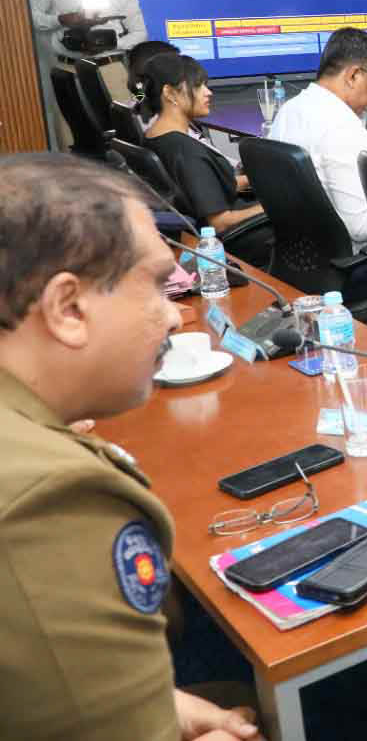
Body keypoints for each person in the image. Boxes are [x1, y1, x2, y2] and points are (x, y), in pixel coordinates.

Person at [0, 154, 260, 740]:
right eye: (157, 287)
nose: (174, 317)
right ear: (68, 309)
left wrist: (159, 705)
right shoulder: (54, 502)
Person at [137, 54, 273, 266]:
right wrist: (274, 206)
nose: (208, 92)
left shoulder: (154, 137)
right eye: (198, 86)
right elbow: (220, 223)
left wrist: (255, 179)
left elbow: (202, 187)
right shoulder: (185, 151)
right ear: (170, 93)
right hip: (234, 241)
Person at [268, 27, 367, 248]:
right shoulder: (343, 128)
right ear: (353, 75)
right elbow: (361, 228)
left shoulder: (288, 110)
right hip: (351, 256)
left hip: (297, 251)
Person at [33, 0, 147, 145]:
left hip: (110, 68)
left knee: (124, 130)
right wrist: (60, 19)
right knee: (71, 131)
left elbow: (140, 33)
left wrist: (111, 44)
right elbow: (30, 17)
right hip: (68, 68)